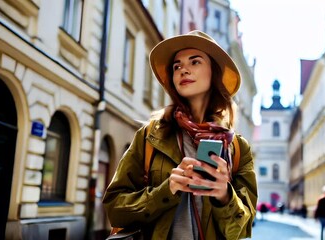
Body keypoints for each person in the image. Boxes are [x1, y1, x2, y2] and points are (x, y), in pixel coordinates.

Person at [103, 30, 257, 240]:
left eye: (195, 62)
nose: (183, 69)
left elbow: (243, 228)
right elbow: (115, 208)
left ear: (214, 74)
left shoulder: (238, 148)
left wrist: (224, 195)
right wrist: (167, 190)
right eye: (177, 66)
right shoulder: (150, 136)